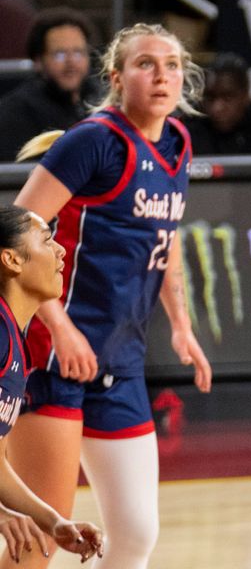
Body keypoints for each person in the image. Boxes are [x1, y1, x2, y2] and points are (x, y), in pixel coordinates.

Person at [5, 24, 213, 569]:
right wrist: (64, 328)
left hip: (119, 361)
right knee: (40, 541)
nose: (162, 75)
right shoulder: (96, 141)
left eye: (171, 64)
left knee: (136, 534)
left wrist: (183, 326)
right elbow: (14, 236)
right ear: (117, 78)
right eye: (146, 64)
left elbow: (162, 245)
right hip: (56, 357)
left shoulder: (178, 143)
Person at [0, 206, 105, 565]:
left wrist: (53, 522)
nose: (61, 250)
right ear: (12, 259)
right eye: (47, 240)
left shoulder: (12, 335)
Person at [0, 9, 100, 162]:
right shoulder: (14, 113)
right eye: (59, 54)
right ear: (38, 61)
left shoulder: (104, 101)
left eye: (78, 52)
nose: (71, 62)